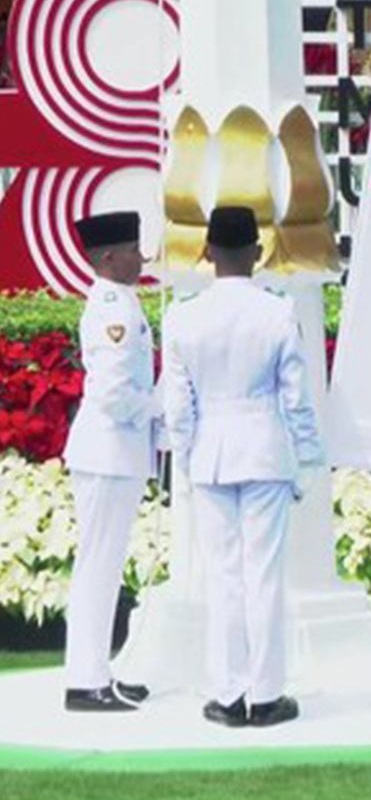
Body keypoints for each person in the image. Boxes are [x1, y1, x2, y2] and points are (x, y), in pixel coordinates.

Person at [163, 206, 325, 728]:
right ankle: (266, 694)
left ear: (208, 253)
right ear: (257, 253)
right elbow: (297, 399)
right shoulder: (277, 312)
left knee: (223, 577)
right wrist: (309, 458)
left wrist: (185, 461)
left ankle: (227, 694)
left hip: (211, 452)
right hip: (264, 449)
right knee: (263, 576)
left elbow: (177, 405)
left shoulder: (182, 315)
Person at [62, 211, 158, 712]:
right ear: (107, 258)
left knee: (104, 566)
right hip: (107, 453)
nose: (141, 256)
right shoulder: (112, 309)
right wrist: (159, 407)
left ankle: (99, 671)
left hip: (114, 454)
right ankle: (85, 681)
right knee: (97, 568)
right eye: (131, 248)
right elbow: (115, 394)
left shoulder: (120, 301)